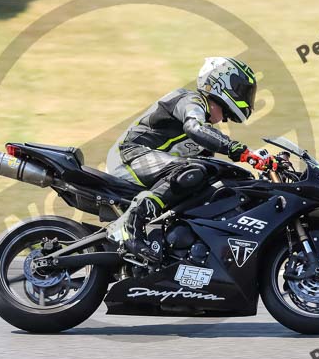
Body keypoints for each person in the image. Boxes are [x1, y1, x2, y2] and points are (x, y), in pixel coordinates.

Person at [105, 57, 276, 262]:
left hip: (150, 166)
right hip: (130, 155)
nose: (247, 97)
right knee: (193, 170)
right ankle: (130, 223)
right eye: (243, 90)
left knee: (208, 178)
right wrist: (241, 151)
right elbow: (194, 128)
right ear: (222, 82)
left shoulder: (205, 130)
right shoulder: (190, 100)